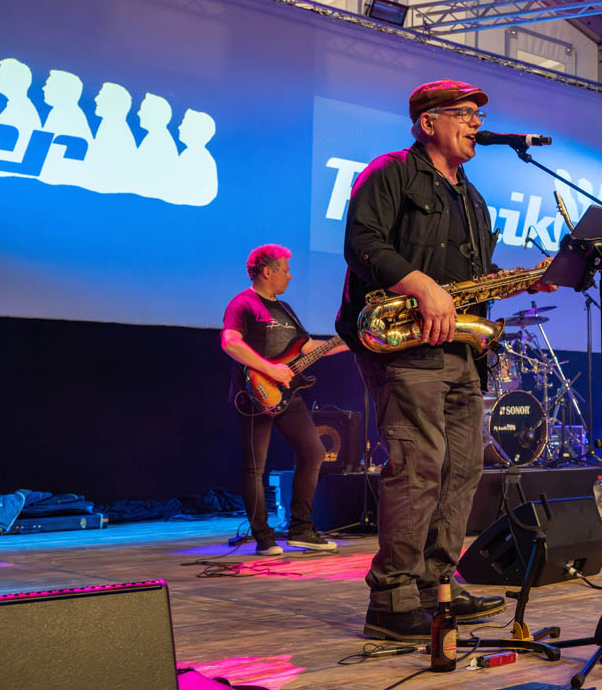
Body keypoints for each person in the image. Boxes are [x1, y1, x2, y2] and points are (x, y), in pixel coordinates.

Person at [336, 79, 554, 642]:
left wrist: (527, 282)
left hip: (460, 346)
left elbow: (472, 279)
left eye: (478, 114)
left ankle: (438, 589)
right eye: (465, 113)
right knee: (418, 465)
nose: (477, 122)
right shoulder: (391, 171)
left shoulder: (472, 198)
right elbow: (362, 243)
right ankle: (392, 601)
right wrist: (419, 285)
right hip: (406, 343)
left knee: (462, 469)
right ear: (428, 122)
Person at [221, 244, 348, 556]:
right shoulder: (243, 303)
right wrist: (270, 370)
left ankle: (301, 530)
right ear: (267, 271)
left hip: (287, 395)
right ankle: (263, 538)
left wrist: (353, 342)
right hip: (253, 395)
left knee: (314, 451)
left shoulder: (286, 309)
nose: (290, 276)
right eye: (286, 270)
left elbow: (308, 348)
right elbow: (230, 342)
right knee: (255, 466)